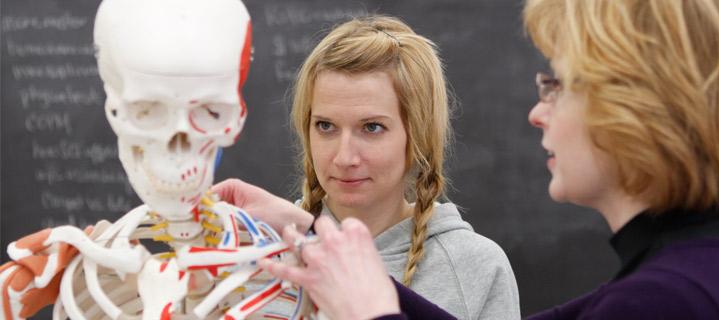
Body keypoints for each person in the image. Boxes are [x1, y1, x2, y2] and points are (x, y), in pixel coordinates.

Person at [248, 0, 719, 319]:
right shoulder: (672, 276)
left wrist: (373, 310)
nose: (538, 111)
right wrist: (315, 235)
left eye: (561, 84)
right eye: (325, 125)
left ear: (636, 108)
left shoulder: (664, 298)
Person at [214, 15, 520, 319]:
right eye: (325, 126)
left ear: (418, 135)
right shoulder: (255, 256)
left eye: (371, 128)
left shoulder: (475, 268)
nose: (345, 158)